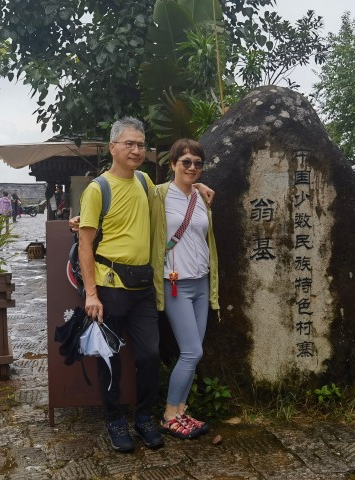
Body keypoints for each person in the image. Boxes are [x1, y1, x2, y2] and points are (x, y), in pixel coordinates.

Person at [78, 117, 164, 453]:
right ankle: (114, 419)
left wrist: (196, 186)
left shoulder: (144, 181)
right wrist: (91, 294)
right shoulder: (98, 189)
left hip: (143, 286)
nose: (136, 150)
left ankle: (143, 417)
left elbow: (169, 197)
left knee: (150, 355)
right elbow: (85, 244)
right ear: (112, 147)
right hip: (110, 286)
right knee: (109, 357)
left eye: (141, 144)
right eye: (129, 143)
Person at [149, 139, 219, 439]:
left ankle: (181, 410)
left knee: (193, 353)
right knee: (192, 351)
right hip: (174, 283)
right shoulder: (158, 194)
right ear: (173, 164)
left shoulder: (202, 197)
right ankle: (169, 415)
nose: (192, 167)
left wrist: (198, 186)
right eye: (185, 162)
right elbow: (128, 210)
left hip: (201, 282)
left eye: (197, 163)